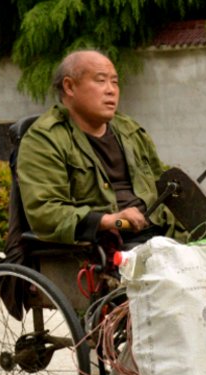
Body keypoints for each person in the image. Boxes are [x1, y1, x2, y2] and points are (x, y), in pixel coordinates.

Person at [16, 49, 185, 245]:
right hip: (110, 244)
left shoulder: (128, 129)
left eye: (114, 82)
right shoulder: (44, 139)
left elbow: (161, 181)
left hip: (163, 234)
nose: (111, 90)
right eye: (100, 80)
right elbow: (45, 212)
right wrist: (113, 221)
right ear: (69, 87)